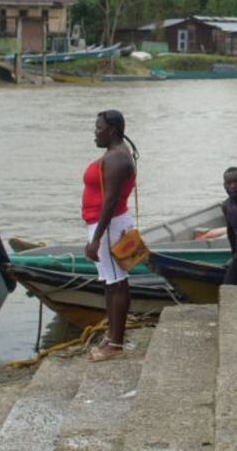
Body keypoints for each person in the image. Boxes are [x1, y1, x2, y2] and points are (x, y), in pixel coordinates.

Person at [83, 110, 139, 360]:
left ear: (112, 131)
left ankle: (115, 345)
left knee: (116, 283)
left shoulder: (117, 159)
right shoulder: (115, 154)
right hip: (106, 224)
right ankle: (111, 336)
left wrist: (96, 239)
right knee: (112, 281)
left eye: (99, 128)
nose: (95, 132)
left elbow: (111, 200)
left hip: (109, 226)